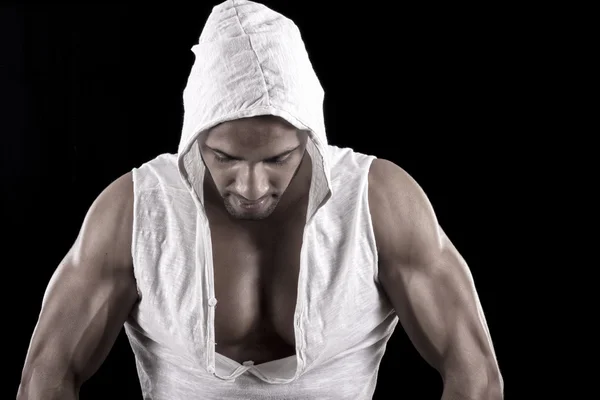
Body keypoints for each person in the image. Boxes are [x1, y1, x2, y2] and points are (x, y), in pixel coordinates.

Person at [17, 1, 503, 399]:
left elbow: (476, 374)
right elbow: (46, 376)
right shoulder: (134, 210)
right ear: (194, 139)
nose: (251, 187)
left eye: (278, 158)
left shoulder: (380, 203)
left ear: (311, 138)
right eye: (224, 158)